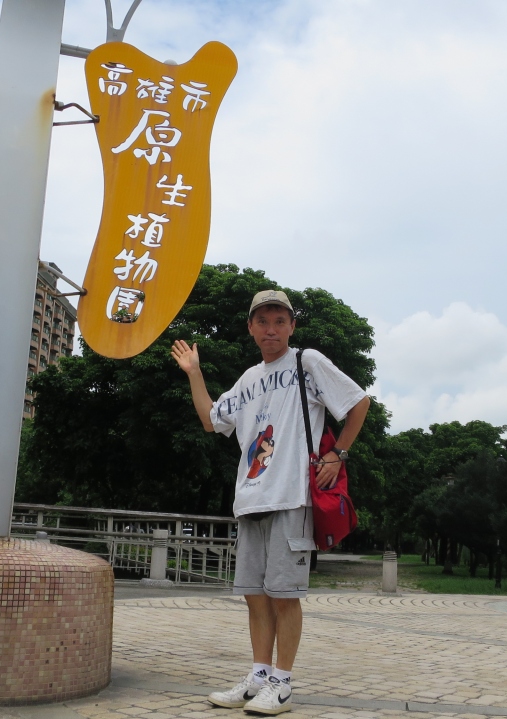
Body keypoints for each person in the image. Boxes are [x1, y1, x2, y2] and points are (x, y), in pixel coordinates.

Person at [171, 289, 371, 715]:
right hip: (250, 499)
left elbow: (358, 403)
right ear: (251, 328)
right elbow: (210, 420)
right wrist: (194, 372)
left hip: (290, 497)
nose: (271, 329)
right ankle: (259, 677)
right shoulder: (248, 379)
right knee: (254, 596)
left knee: (283, 595)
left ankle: (282, 684)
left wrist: (338, 454)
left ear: (292, 326)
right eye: (262, 321)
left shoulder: (307, 363)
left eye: (280, 321)